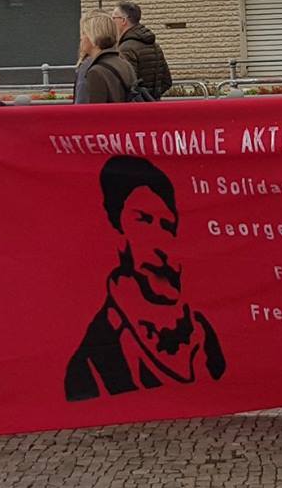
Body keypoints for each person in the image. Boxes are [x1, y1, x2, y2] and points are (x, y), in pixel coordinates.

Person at [64, 155, 225, 400]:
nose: (162, 243)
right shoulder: (92, 363)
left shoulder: (202, 333)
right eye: (144, 220)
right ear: (116, 232)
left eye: (167, 225)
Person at [112, 2, 174, 99]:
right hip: (154, 103)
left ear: (123, 20)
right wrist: (152, 96)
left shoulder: (126, 49)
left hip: (136, 106)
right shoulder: (155, 46)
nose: (112, 22)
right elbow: (167, 81)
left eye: (114, 18)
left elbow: (129, 86)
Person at [74, 12, 137, 104]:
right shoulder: (125, 64)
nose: (81, 38)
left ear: (93, 37)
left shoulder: (96, 71)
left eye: (84, 33)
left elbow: (94, 110)